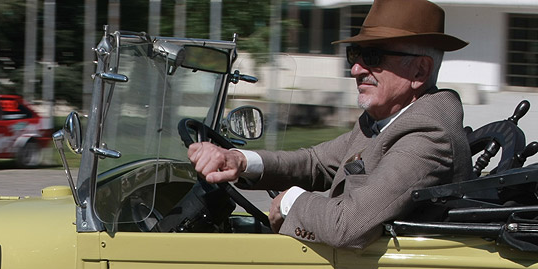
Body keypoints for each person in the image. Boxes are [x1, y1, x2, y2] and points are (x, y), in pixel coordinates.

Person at [188, 0, 471, 249]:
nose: (356, 69)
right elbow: (316, 163)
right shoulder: (387, 120)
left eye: (373, 57)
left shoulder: (427, 134)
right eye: (355, 55)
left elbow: (346, 226)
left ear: (420, 70)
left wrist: (290, 202)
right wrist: (238, 160)